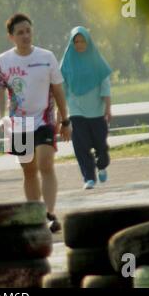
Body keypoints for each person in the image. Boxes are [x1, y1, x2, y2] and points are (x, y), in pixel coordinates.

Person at [0, 13, 71, 233]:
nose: (25, 35)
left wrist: (66, 120)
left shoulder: (47, 57)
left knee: (46, 163)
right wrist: (0, 117)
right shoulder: (2, 61)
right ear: (11, 37)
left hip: (44, 119)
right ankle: (37, 215)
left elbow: (58, 90)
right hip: (18, 122)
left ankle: (50, 213)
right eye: (20, 32)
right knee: (28, 170)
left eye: (28, 30)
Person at [60, 26, 112, 190]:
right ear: (72, 43)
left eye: (82, 41)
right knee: (81, 146)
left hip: (96, 110)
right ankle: (89, 177)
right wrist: (60, 112)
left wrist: (108, 107)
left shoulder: (96, 59)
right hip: (76, 110)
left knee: (101, 146)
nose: (80, 44)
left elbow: (105, 83)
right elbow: (62, 88)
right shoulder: (67, 61)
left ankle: (101, 165)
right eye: (76, 41)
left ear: (88, 42)